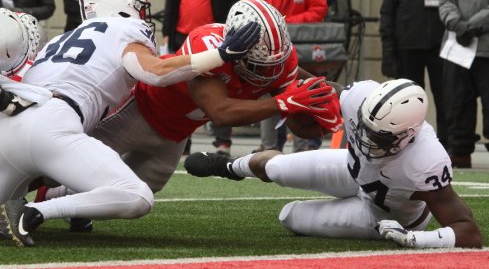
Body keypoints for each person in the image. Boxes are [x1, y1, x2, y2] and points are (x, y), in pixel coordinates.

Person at [0, 0, 261, 247]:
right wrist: (220, 55)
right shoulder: (124, 29)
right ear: (123, 7)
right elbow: (156, 72)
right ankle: (33, 212)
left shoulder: (60, 40)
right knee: (137, 196)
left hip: (10, 121)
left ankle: (22, 205)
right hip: (52, 122)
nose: (144, 16)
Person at [184, 78, 483, 249]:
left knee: (289, 216)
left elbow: (469, 231)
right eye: (366, 126)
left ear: (407, 135)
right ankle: (229, 166)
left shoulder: (425, 161)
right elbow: (313, 87)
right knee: (277, 168)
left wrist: (415, 238)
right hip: (352, 169)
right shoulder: (359, 97)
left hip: (384, 212)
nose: (366, 136)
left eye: (378, 136)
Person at [243, 0, 329, 154]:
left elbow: (318, 10)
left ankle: (300, 149)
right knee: (267, 94)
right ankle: (269, 147)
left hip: (301, 46)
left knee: (301, 92)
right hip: (267, 47)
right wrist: (277, 24)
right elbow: (246, 8)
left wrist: (283, 23)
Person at [163, 0, 242, 155]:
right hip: (183, 38)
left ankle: (223, 142)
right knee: (183, 94)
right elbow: (170, 7)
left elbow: (232, 6)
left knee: (223, 89)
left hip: (213, 40)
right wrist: (166, 34)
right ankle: (183, 142)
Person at [379, 0, 447, 149]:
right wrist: (388, 53)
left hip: (441, 46)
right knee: (408, 102)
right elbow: (387, 14)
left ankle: (446, 144)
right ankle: (409, 143)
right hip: (407, 47)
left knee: (446, 99)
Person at [439, 0, 489, 168]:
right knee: (457, 102)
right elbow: (446, 2)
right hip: (458, 48)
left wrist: (471, 27)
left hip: (486, 49)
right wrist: (457, 25)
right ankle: (460, 153)